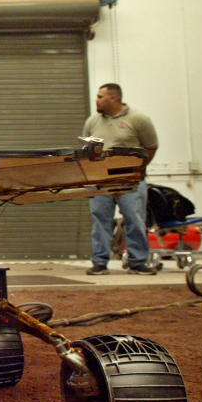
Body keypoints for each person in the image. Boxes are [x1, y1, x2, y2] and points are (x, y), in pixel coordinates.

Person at [82, 83, 158, 276]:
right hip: (100, 182)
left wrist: (137, 170)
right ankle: (99, 262)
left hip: (130, 181)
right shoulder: (92, 122)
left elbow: (151, 146)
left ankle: (138, 262)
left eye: (100, 97)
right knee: (100, 220)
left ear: (113, 98)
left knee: (134, 219)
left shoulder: (139, 119)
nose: (96, 100)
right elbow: (86, 151)